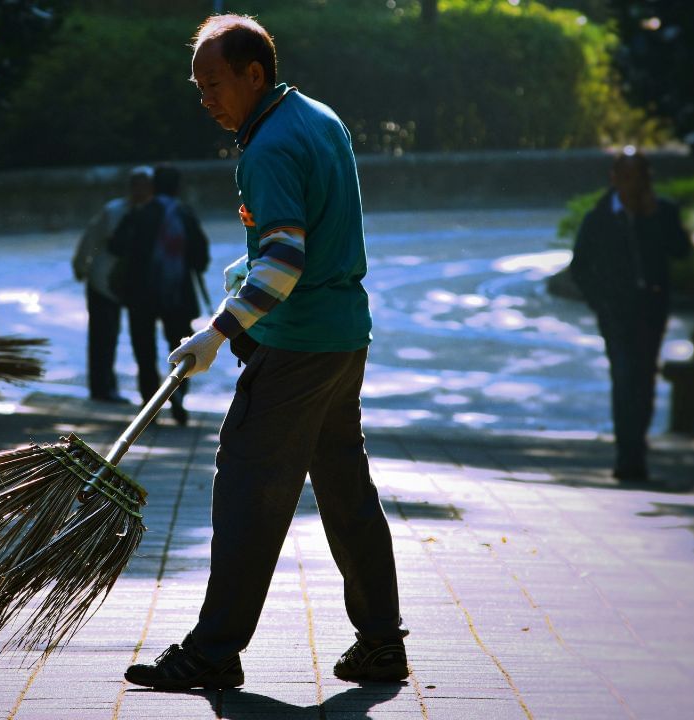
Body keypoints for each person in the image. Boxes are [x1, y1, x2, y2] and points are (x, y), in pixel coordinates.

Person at [124, 15, 408, 690]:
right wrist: (232, 294)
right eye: (199, 88)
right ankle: (380, 643)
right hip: (342, 336)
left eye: (215, 84)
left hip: (298, 345)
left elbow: (284, 258)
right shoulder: (318, 119)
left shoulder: (269, 146)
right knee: (344, 488)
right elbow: (296, 247)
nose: (207, 101)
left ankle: (214, 649)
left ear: (254, 74)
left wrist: (217, 334)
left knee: (249, 487)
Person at [569, 149, 692, 480]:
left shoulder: (661, 212)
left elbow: (681, 250)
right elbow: (579, 267)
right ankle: (629, 453)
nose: (632, 185)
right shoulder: (599, 217)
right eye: (626, 177)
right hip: (616, 312)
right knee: (624, 377)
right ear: (615, 178)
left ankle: (636, 445)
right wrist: (600, 301)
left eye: (639, 178)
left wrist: (654, 219)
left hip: (650, 309)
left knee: (644, 378)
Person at [108, 164, 210, 425]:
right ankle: (176, 396)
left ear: (154, 186)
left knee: (145, 351)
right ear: (177, 187)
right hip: (177, 296)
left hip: (141, 296)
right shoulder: (185, 215)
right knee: (180, 349)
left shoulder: (140, 214)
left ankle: (149, 404)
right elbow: (201, 259)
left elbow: (114, 245)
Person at [72, 166, 154, 403]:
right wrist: (81, 267)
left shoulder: (142, 212)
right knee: (103, 338)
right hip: (103, 281)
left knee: (108, 337)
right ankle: (102, 388)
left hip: (123, 283)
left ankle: (105, 387)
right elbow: (91, 240)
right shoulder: (115, 211)